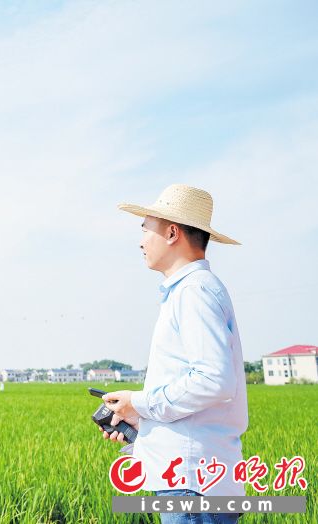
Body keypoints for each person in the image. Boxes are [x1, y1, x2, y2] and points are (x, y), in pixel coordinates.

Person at [101, 184, 248, 524]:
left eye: (145, 229)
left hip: (191, 485)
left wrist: (138, 403)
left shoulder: (194, 292)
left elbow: (213, 380)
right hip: (191, 480)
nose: (140, 241)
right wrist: (142, 419)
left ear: (171, 232)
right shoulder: (189, 291)